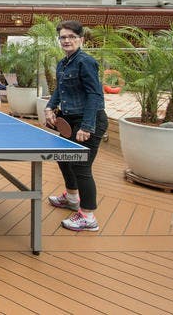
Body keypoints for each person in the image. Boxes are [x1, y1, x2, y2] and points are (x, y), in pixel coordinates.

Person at [44, 20, 108, 232]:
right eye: (63, 37)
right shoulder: (64, 63)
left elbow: (94, 95)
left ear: (81, 39)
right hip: (69, 119)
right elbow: (59, 90)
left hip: (89, 121)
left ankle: (88, 216)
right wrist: (50, 107)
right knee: (63, 158)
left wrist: (87, 126)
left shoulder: (85, 62)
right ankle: (72, 198)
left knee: (82, 167)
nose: (66, 40)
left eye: (71, 36)